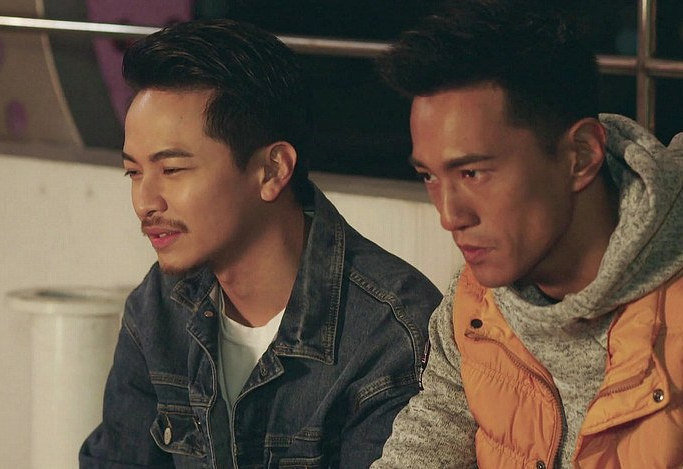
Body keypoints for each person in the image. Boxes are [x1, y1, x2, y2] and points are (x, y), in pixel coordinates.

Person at [79, 19, 442, 468]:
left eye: (172, 170)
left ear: (272, 171)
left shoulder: (388, 331)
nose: (144, 202)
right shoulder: (159, 304)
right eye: (134, 172)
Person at [371, 0, 683, 467]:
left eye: (473, 173)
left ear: (581, 155)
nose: (449, 215)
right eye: (429, 176)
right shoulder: (474, 302)